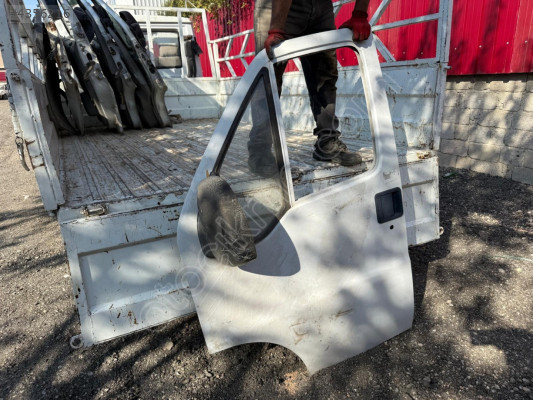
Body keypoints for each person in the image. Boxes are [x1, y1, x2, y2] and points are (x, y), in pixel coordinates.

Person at [248, 0, 371, 175]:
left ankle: (327, 142)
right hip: (277, 5)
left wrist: (360, 14)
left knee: (325, 74)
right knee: (269, 77)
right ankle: (260, 153)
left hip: (322, 6)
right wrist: (276, 28)